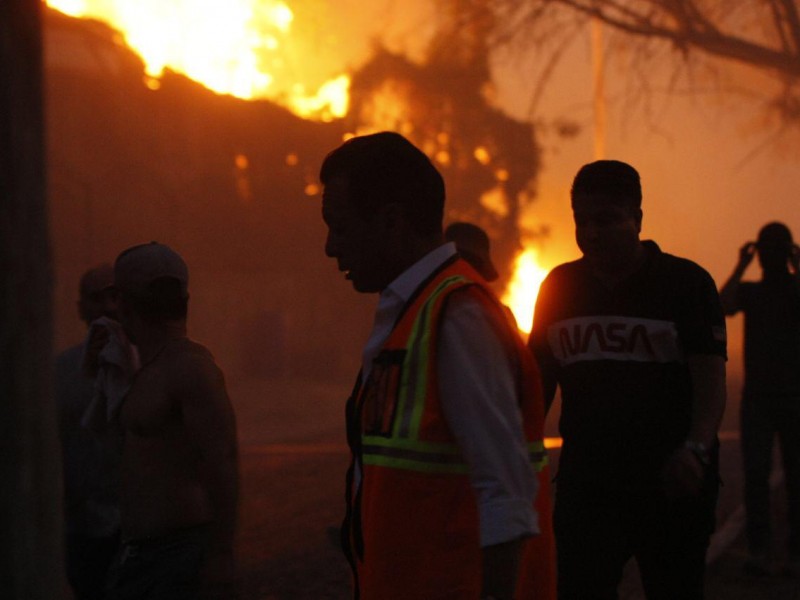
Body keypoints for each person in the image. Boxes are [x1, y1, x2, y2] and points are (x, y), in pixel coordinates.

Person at [319, 131, 555, 600]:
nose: (330, 248)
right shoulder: (414, 312)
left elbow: (506, 493)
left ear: (391, 221)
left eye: (340, 227)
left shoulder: (457, 317)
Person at [528, 160, 727, 599]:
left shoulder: (685, 284)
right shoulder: (558, 287)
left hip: (671, 484)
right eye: (582, 221)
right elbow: (539, 381)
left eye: (606, 220)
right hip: (589, 485)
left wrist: (696, 449)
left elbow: (710, 379)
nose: (592, 233)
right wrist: (518, 451)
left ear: (637, 218)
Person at [103, 242, 239, 600]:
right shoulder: (147, 369)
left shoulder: (189, 367)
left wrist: (221, 555)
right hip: (143, 555)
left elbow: (222, 462)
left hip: (177, 556)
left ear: (124, 304)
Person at [719, 222, 800, 575]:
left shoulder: (760, 291)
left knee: (765, 477)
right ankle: (776, 551)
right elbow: (722, 305)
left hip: (772, 398)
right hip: (771, 398)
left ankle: (763, 550)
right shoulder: (767, 292)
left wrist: (741, 264)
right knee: (774, 476)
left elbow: (723, 303)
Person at [55, 264, 122, 600]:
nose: (108, 306)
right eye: (98, 298)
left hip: (141, 527)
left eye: (115, 296)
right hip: (84, 528)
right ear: (82, 308)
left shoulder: (155, 366)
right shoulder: (60, 374)